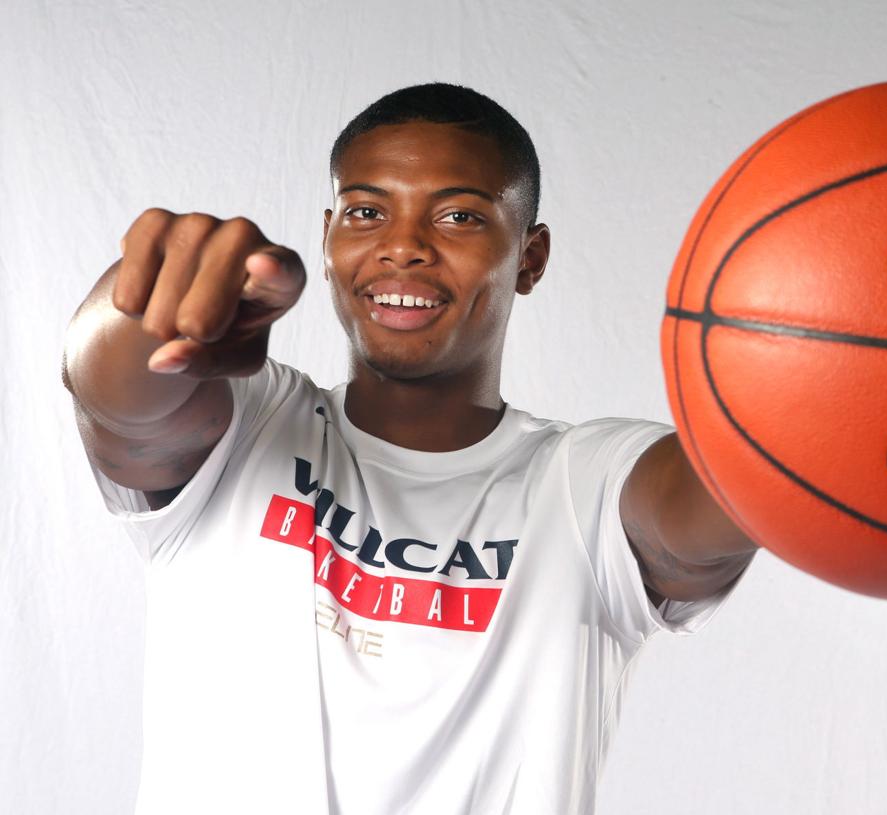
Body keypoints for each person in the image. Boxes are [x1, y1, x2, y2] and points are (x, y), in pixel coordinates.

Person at [62, 82, 758, 815]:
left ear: (530, 256)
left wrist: (829, 374)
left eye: (459, 215)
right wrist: (151, 313)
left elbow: (728, 496)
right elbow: (111, 393)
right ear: (328, 240)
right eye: (366, 212)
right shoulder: (247, 426)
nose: (403, 246)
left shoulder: (585, 484)